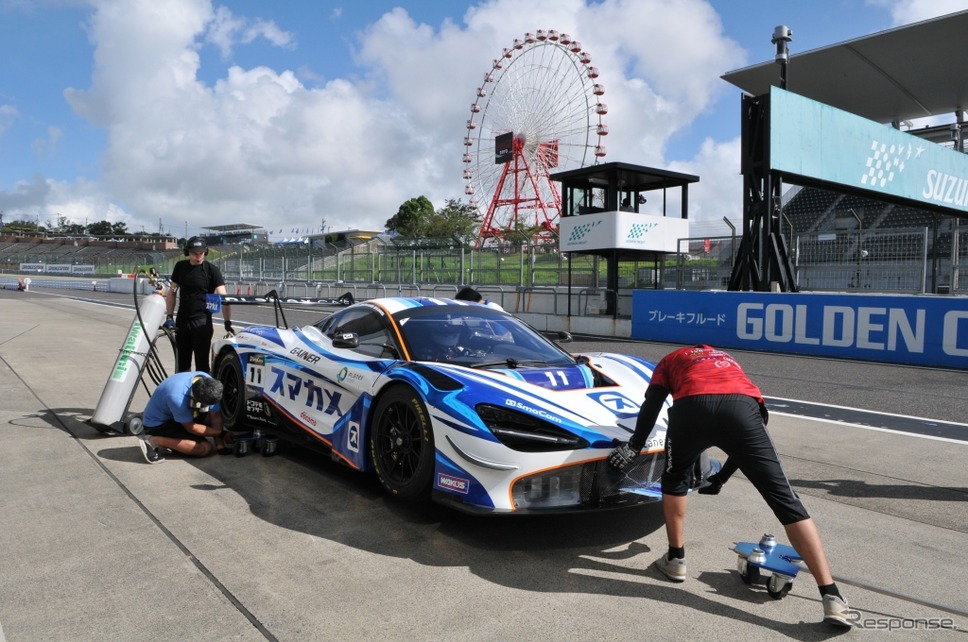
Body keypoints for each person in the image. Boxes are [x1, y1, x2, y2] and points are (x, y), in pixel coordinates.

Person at [608, 344, 850, 628]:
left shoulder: (670, 359)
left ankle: (676, 559)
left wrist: (634, 446)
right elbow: (755, 423)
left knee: (674, 479)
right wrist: (721, 478)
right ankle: (830, 595)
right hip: (742, 407)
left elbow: (653, 403)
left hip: (691, 409)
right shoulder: (727, 359)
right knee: (785, 500)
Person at [165, 236, 232, 373]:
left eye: (201, 253)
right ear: (187, 252)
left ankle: (202, 393)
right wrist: (169, 316)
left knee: (202, 365)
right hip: (182, 321)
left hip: (202, 322)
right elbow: (172, 292)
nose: (198, 256)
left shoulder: (212, 270)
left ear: (205, 252)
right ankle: (183, 393)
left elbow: (224, 298)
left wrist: (227, 322)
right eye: (195, 253)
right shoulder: (180, 267)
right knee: (182, 365)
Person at [138, 371, 231, 463]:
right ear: (196, 398)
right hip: (158, 424)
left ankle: (173, 444)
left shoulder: (209, 383)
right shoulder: (177, 397)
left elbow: (215, 415)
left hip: (177, 417)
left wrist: (220, 446)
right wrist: (221, 433)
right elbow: (191, 428)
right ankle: (153, 441)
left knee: (209, 418)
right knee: (205, 448)